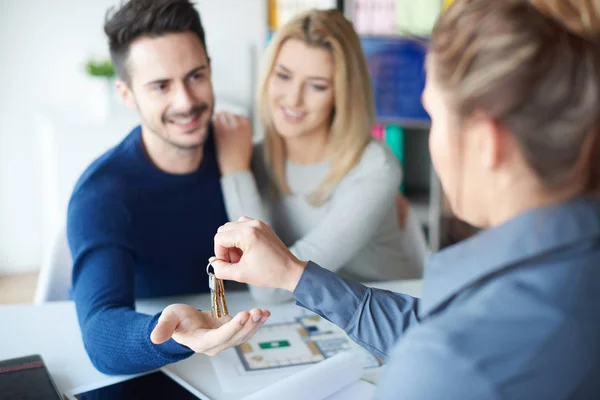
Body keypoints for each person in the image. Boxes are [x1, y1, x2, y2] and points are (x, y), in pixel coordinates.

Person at [209, 0, 600, 397]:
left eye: (434, 118)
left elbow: (440, 353)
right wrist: (294, 274)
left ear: (486, 143)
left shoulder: (443, 364)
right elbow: (428, 330)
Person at [67, 0, 269, 375]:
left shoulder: (238, 153)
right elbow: (100, 332)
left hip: (249, 348)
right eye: (161, 86)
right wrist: (171, 332)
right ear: (127, 95)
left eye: (195, 76)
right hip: (167, 366)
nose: (186, 102)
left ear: (210, 70)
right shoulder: (103, 193)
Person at [212, 9, 424, 303]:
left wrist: (235, 171)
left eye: (317, 86)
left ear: (342, 93)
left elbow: (270, 288)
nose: (293, 98)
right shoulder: (257, 158)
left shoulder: (374, 167)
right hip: (310, 318)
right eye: (283, 76)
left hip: (386, 313)